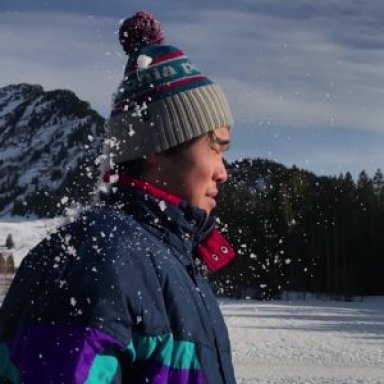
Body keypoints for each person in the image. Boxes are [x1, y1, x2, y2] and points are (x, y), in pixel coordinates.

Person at [0, 10, 237, 383]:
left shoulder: (164, 261)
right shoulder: (106, 257)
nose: (224, 171)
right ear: (159, 145)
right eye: (215, 148)